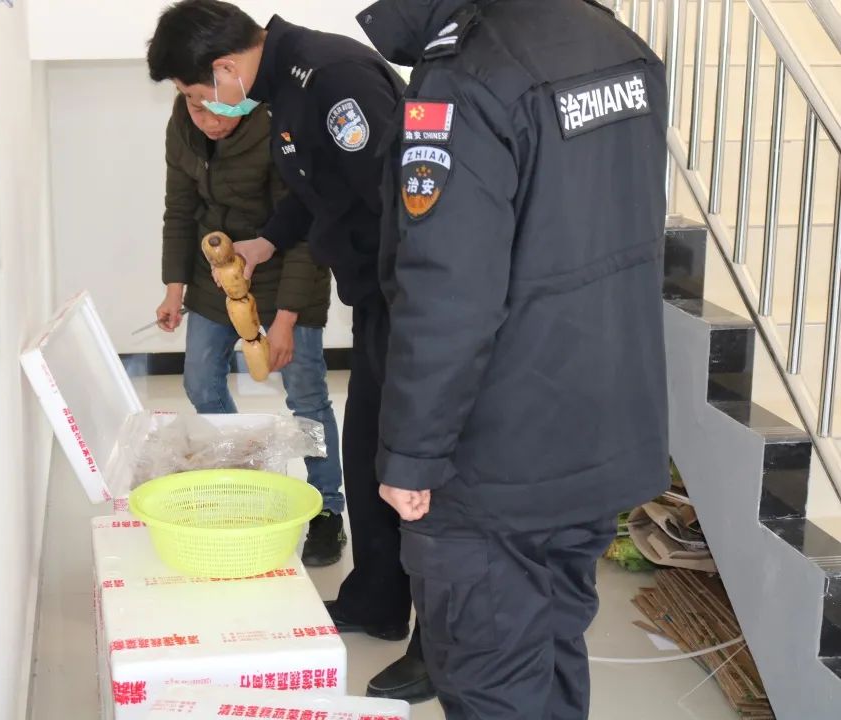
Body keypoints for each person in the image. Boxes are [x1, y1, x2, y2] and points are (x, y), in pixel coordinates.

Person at [358, 0, 670, 718]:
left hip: (496, 454)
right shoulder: (614, 42)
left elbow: (447, 292)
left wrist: (411, 454)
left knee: (492, 676)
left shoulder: (466, 73)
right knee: (553, 646)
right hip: (596, 425)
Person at [147, 1, 434, 703]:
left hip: (415, 300)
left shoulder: (333, 80)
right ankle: (377, 599)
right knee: (368, 450)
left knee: (419, 469)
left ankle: (443, 645)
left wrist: (415, 307)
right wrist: (267, 241)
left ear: (224, 68)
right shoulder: (286, 85)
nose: (199, 106)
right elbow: (318, 188)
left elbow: (408, 198)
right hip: (378, 297)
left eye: (194, 91)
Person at [153, 77, 347, 567]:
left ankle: (328, 509)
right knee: (201, 381)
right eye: (195, 108)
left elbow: (307, 228)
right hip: (217, 274)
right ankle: (247, 481)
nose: (208, 122)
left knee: (306, 396)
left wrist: (286, 321)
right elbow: (180, 210)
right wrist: (174, 289)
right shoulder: (183, 125)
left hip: (287, 271)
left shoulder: (280, 124)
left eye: (216, 109)